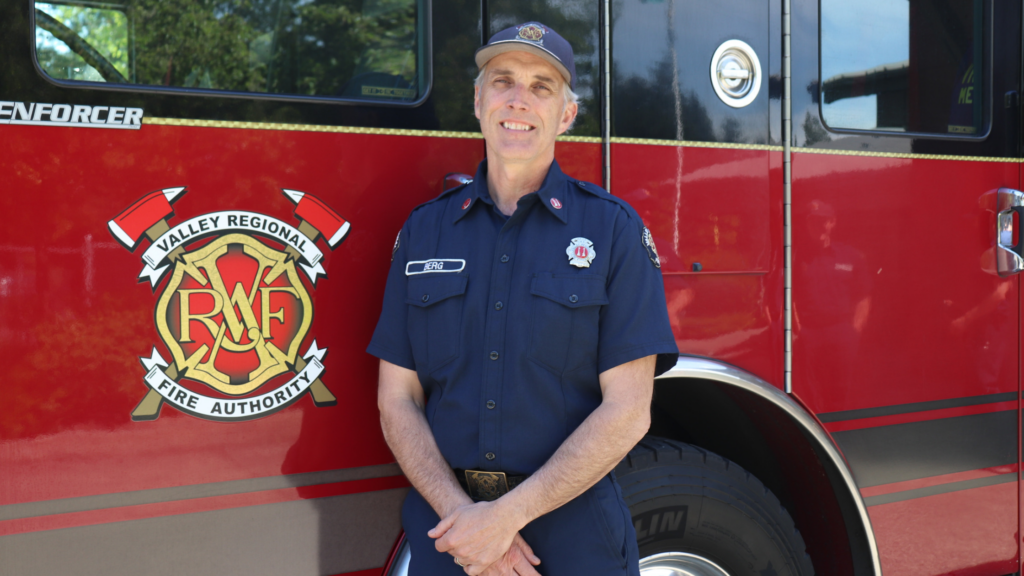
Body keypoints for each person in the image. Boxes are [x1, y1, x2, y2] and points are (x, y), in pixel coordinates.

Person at [367, 21, 678, 576]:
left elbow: (629, 411)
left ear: (566, 114)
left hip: (573, 529)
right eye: (504, 81)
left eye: (542, 86)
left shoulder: (612, 232)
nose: (519, 99)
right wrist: (467, 521)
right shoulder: (423, 233)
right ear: (479, 101)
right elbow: (397, 400)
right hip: (449, 532)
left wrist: (505, 519)